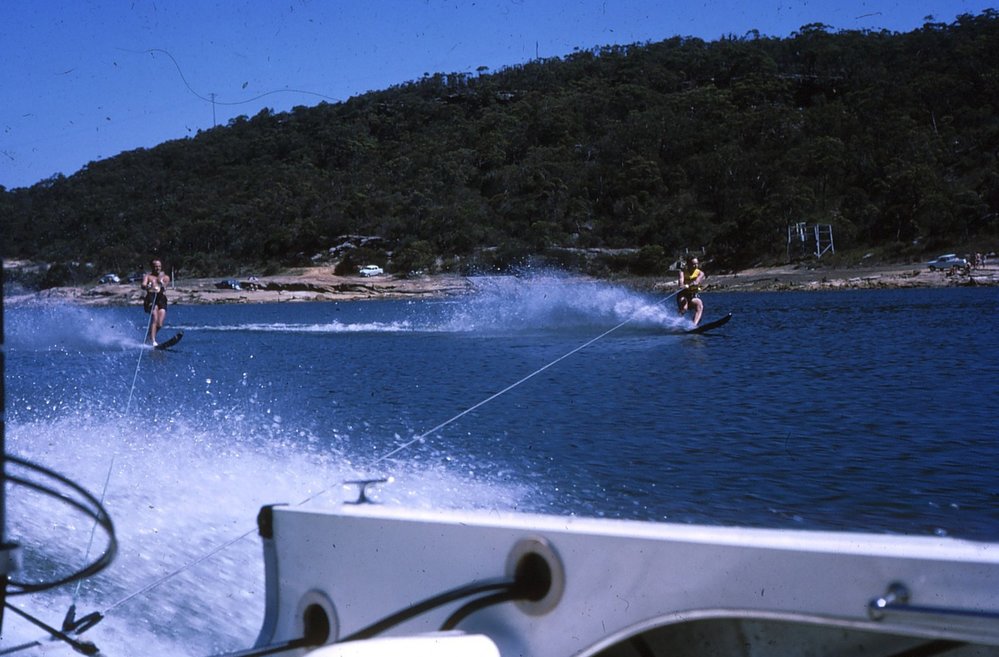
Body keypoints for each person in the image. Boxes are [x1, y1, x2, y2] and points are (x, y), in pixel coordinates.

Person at [141, 258, 170, 345]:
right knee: (154, 317)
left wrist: (161, 283)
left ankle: (149, 338)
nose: (157, 268)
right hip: (151, 297)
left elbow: (165, 287)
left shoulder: (166, 277)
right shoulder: (148, 276)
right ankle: (153, 340)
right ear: (152, 267)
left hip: (161, 298)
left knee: (160, 324)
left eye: (159, 266)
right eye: (155, 266)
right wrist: (147, 286)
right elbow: (143, 285)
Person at [677, 256, 705, 326]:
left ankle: (693, 326)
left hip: (693, 296)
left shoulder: (700, 273)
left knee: (699, 305)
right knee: (684, 307)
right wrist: (684, 285)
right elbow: (680, 283)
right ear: (688, 264)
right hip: (683, 294)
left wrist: (695, 282)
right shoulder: (682, 272)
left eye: (697, 264)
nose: (695, 266)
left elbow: (698, 280)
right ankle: (676, 324)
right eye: (693, 264)